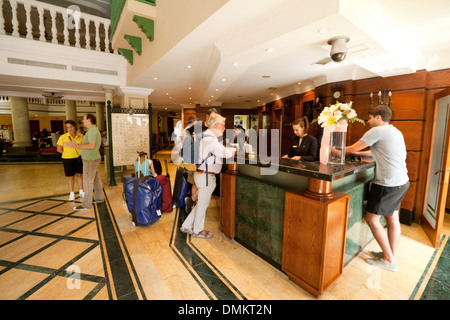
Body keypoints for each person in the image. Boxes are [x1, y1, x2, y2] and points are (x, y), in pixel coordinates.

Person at [345, 104, 409, 272]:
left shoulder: (377, 131)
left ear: (378, 117)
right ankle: (390, 255)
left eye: (370, 118)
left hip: (387, 183)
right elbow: (376, 152)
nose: (368, 121)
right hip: (401, 181)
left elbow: (352, 148)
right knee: (392, 218)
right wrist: (359, 154)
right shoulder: (395, 131)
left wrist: (335, 150)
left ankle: (389, 261)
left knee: (372, 219)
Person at [180, 114, 236, 239]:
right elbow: (224, 152)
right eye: (223, 125)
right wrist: (233, 150)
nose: (224, 128)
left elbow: (218, 149)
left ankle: (186, 225)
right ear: (216, 125)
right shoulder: (210, 139)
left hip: (203, 175)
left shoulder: (207, 137)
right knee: (203, 203)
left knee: (202, 203)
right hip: (205, 176)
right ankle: (197, 231)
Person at [65, 113, 104, 211]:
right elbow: (88, 144)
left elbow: (91, 146)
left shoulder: (91, 131)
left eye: (84, 119)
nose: (82, 121)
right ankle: (99, 198)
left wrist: (75, 146)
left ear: (89, 120)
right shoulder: (92, 130)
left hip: (90, 159)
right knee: (96, 180)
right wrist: (77, 144)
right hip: (92, 158)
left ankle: (86, 204)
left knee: (87, 181)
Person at [184, 109, 219, 213]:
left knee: (199, 184)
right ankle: (193, 203)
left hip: (206, 162)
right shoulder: (199, 127)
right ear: (207, 117)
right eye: (213, 116)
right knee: (196, 183)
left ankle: (192, 202)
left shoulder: (213, 129)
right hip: (195, 159)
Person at [56, 120, 84, 201]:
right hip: (67, 159)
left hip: (78, 158)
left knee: (79, 174)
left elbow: (85, 144)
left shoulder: (80, 136)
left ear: (75, 126)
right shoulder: (63, 137)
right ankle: (71, 193)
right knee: (70, 176)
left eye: (71, 127)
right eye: (67, 127)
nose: (69, 129)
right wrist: (67, 153)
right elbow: (59, 149)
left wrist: (81, 135)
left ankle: (81, 191)